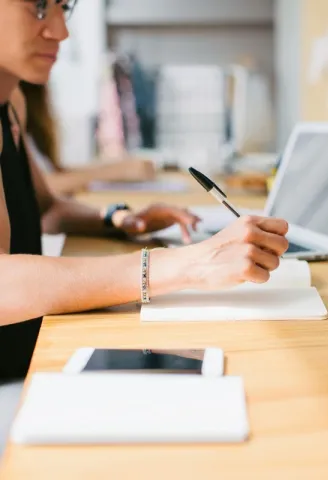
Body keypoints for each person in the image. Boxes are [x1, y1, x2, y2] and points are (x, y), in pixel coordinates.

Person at [0, 0, 289, 383]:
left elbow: (46, 209)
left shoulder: (11, 102)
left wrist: (119, 219)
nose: (61, 31)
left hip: (30, 351)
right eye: (37, 7)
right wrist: (189, 265)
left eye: (63, 7)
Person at [19, 80, 157, 196]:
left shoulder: (28, 103)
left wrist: (121, 168)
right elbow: (36, 187)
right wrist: (119, 172)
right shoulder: (9, 105)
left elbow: (51, 172)